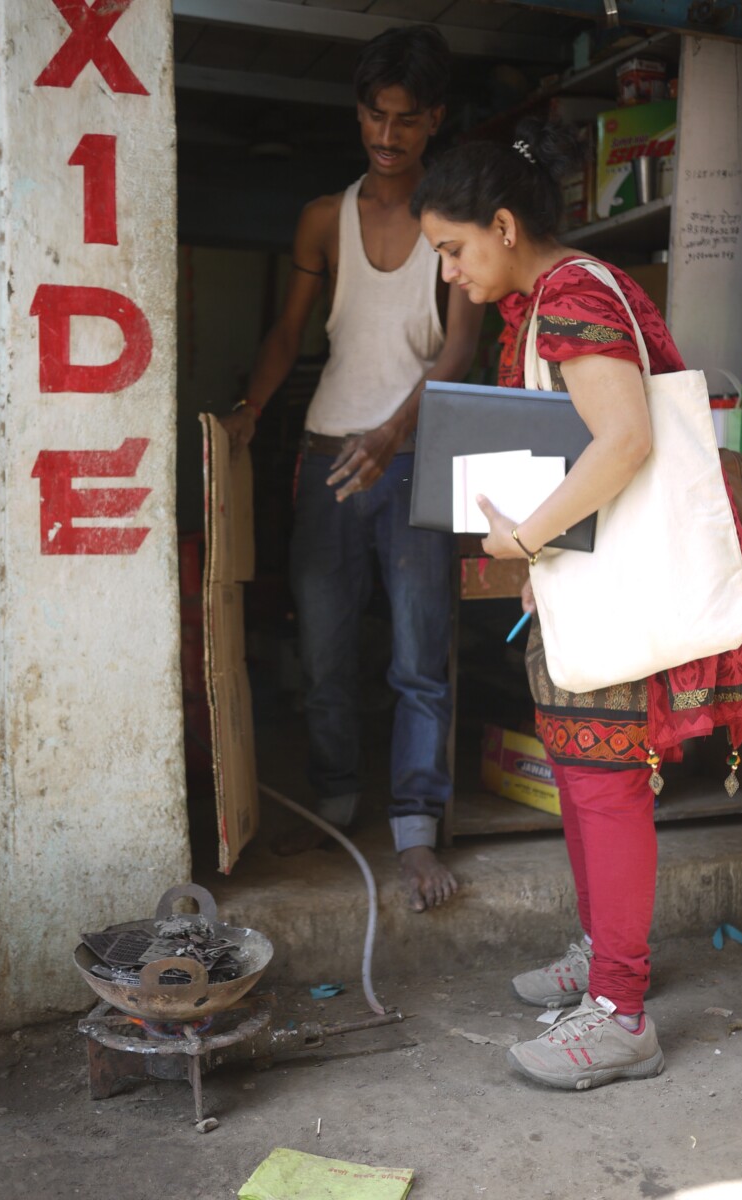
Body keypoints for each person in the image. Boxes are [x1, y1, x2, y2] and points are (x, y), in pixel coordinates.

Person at [411, 124, 742, 1087]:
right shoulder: (560, 293)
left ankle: (621, 1013)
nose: (451, 275)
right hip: (586, 590)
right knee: (586, 780)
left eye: (454, 250)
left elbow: (624, 440)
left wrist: (527, 537)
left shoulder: (574, 295)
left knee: (603, 788)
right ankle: (606, 958)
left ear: (503, 226)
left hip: (609, 587)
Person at [221, 26, 483, 911]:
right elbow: (288, 336)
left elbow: (457, 354)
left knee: (420, 660)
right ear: (358, 112)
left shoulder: (451, 223)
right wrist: (250, 415)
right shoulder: (319, 219)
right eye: (376, 113)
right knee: (325, 653)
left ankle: (414, 831)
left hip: (415, 464)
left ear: (434, 122)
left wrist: (395, 431)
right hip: (330, 460)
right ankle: (336, 802)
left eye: (409, 119)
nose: (388, 132)